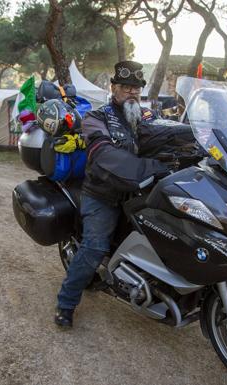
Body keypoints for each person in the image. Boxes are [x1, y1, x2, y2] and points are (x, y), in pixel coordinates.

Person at [54, 61, 168, 328]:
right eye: (126, 87)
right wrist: (150, 167)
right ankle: (66, 303)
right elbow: (104, 154)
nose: (132, 93)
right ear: (113, 88)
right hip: (103, 194)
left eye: (137, 88)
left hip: (140, 190)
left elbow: (168, 135)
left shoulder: (145, 116)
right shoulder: (98, 117)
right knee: (95, 248)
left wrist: (202, 142)